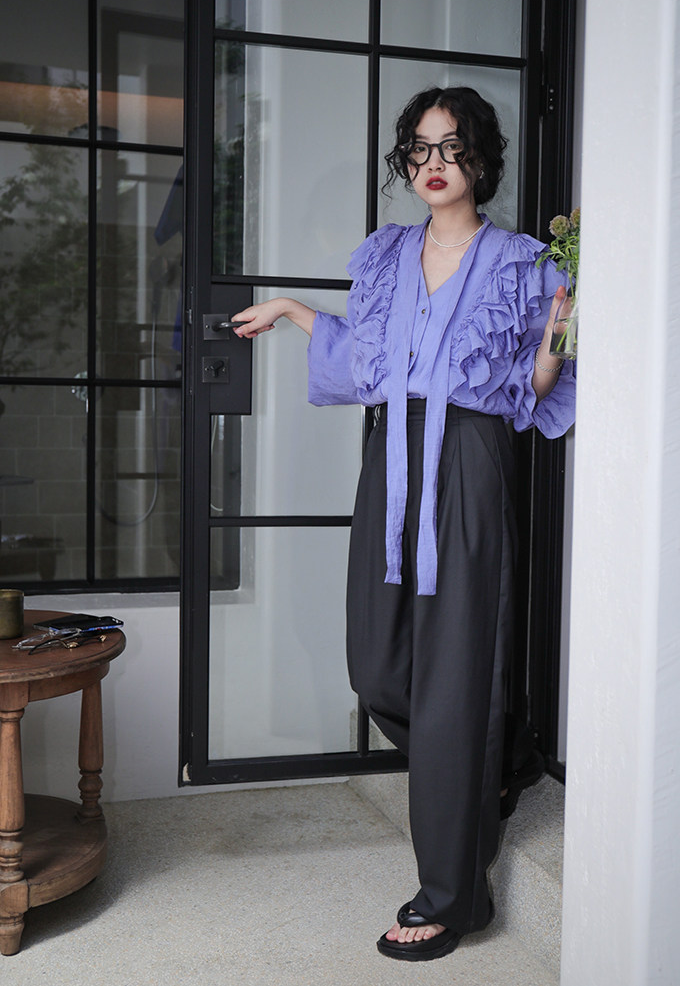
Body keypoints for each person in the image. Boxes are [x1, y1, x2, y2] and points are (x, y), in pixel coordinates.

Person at [231, 86, 576, 962]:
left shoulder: (522, 262)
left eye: (452, 147)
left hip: (470, 457)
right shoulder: (388, 253)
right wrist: (292, 311)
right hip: (391, 457)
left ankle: (452, 895)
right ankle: (501, 758)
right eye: (420, 148)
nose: (434, 164)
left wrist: (559, 331)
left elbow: (528, 389)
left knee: (455, 677)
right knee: (379, 667)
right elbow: (370, 360)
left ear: (481, 160)